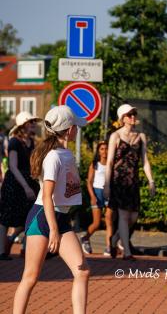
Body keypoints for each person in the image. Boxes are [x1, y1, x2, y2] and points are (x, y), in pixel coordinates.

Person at [13, 105, 89, 314]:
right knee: (30, 277)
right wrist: (53, 229)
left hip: (60, 218)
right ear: (68, 129)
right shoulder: (53, 157)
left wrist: (58, 225)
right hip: (42, 218)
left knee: (82, 271)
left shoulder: (65, 153)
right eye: (75, 126)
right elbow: (46, 196)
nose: (77, 130)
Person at [104, 104, 155, 260]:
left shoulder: (141, 136)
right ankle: (126, 252)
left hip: (133, 181)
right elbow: (110, 161)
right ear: (123, 118)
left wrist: (151, 181)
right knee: (124, 216)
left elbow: (145, 161)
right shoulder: (116, 136)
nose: (133, 117)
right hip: (118, 181)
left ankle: (115, 239)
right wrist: (107, 184)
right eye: (129, 114)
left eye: (134, 113)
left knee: (133, 217)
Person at [0, 112, 40, 260]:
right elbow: (13, 166)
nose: (34, 124)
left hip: (28, 181)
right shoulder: (14, 142)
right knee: (5, 218)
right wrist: (26, 186)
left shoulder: (31, 142)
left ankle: (16, 242)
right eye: (31, 122)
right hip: (14, 182)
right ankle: (1, 252)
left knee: (30, 216)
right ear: (23, 125)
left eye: (34, 122)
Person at [80, 140, 113, 256]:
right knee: (97, 223)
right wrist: (93, 196)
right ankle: (85, 238)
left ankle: (109, 247)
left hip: (108, 192)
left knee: (109, 219)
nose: (105, 151)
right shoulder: (94, 164)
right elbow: (89, 182)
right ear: (98, 151)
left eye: (106, 148)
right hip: (97, 193)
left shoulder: (111, 163)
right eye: (102, 149)